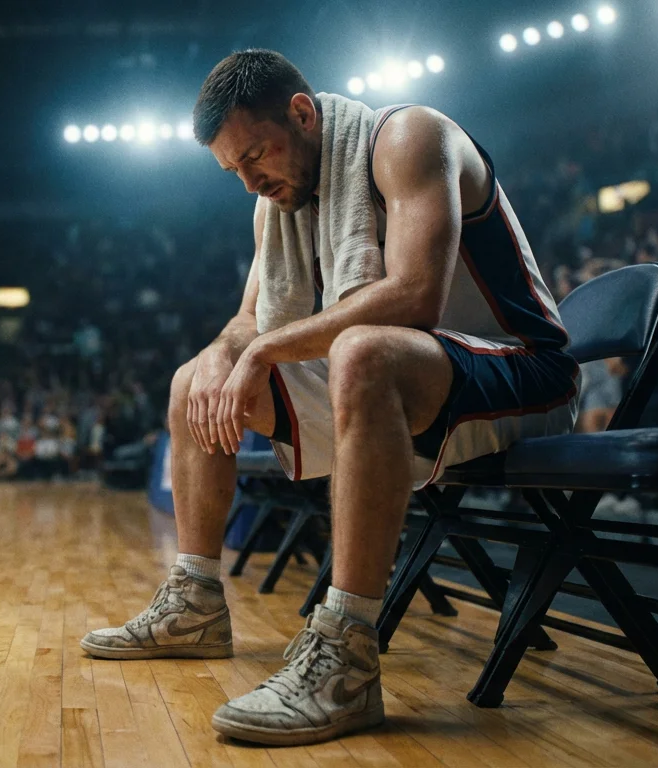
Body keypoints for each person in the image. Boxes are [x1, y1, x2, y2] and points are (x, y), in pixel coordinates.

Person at [79, 50, 579, 747]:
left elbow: (413, 296)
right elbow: (248, 321)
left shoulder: (408, 139)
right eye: (235, 171)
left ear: (303, 113)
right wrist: (230, 350)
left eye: (257, 154)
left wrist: (262, 350)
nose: (251, 180)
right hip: (424, 376)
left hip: (526, 372)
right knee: (196, 377)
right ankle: (194, 602)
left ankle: (347, 652)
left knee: (363, 351)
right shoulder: (277, 201)